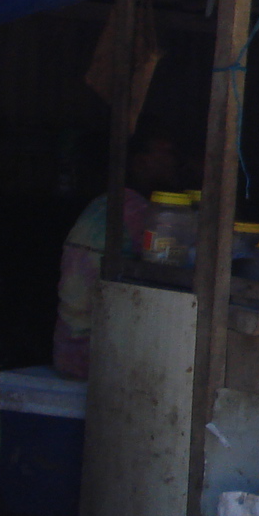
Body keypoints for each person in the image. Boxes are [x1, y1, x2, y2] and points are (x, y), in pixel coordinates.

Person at [53, 126, 180, 378]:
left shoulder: (103, 205)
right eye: (166, 153)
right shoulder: (135, 212)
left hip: (68, 353)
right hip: (97, 361)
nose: (174, 161)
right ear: (140, 161)